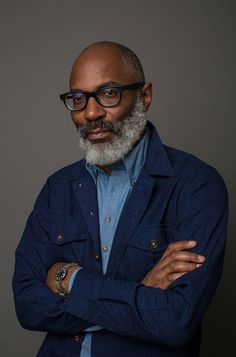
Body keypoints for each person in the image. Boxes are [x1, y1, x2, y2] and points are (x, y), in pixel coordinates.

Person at [13, 41, 228, 357]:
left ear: (144, 96)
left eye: (109, 93)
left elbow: (175, 319)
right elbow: (28, 305)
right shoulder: (57, 188)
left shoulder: (196, 185)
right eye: (78, 98)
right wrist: (140, 293)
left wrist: (69, 277)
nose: (91, 112)